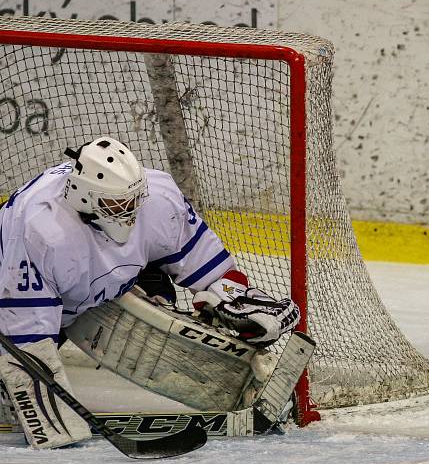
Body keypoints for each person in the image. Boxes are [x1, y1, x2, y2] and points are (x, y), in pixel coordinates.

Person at [0, 135, 299, 448]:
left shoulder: (157, 196)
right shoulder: (41, 233)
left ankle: (136, 295)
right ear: (85, 199)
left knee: (158, 293)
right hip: (16, 296)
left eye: (135, 198)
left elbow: (204, 260)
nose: (131, 210)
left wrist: (234, 294)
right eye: (118, 205)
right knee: (21, 372)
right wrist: (45, 414)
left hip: (105, 278)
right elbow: (26, 339)